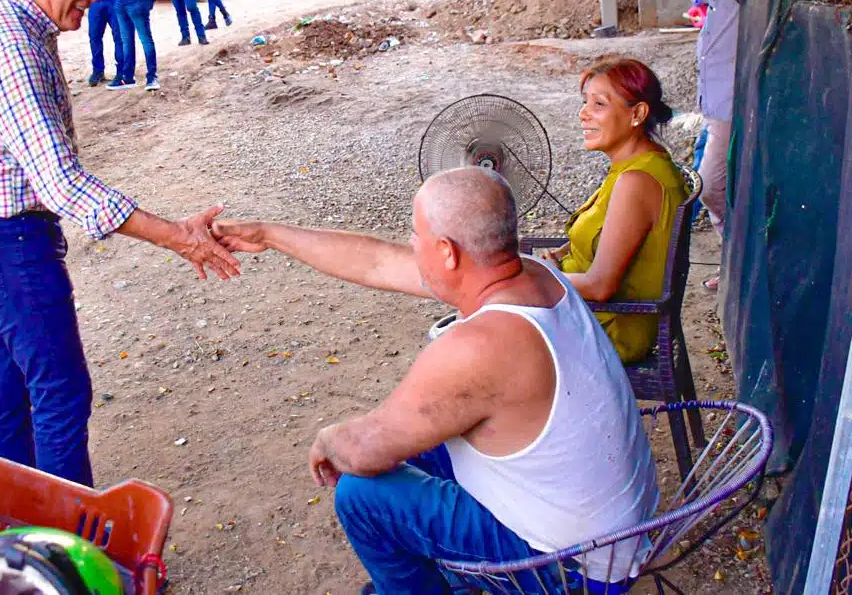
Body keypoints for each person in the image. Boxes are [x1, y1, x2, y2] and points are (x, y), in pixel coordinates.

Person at [212, 167, 657, 592]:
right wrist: (268, 234)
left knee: (361, 495)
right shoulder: (532, 274)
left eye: (415, 235)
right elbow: (378, 263)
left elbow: (365, 451)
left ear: (447, 252)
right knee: (421, 445)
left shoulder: (480, 345)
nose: (409, 244)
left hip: (568, 568)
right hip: (614, 531)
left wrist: (329, 439)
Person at [0, 0, 241, 486]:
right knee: (60, 392)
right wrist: (181, 238)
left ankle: (20, 528)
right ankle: (66, 553)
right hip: (3, 240)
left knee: (13, 389)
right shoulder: (9, 42)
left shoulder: (12, 17)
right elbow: (63, 183)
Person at [540, 56, 687, 364]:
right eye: (585, 103)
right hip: (590, 314)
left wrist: (543, 276)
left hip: (609, 330)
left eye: (599, 105)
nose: (583, 114)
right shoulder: (635, 166)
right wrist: (561, 255)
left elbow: (600, 285)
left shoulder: (638, 181)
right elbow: (607, 237)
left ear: (637, 114)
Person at [694, 0, 755, 292]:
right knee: (718, 180)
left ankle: (742, 263)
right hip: (712, 90)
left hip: (737, 90)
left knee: (712, 183)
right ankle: (735, 266)